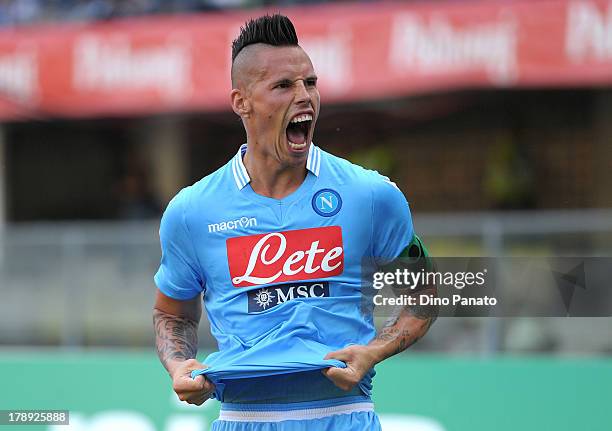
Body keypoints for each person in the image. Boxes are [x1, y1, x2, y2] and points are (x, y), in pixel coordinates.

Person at [153, 14, 437, 430]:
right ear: (241, 102)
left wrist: (373, 352)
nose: (305, 96)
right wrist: (179, 366)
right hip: (242, 417)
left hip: (342, 417)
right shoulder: (190, 211)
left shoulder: (372, 195)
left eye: (311, 83)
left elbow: (425, 293)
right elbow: (172, 314)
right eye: (284, 86)